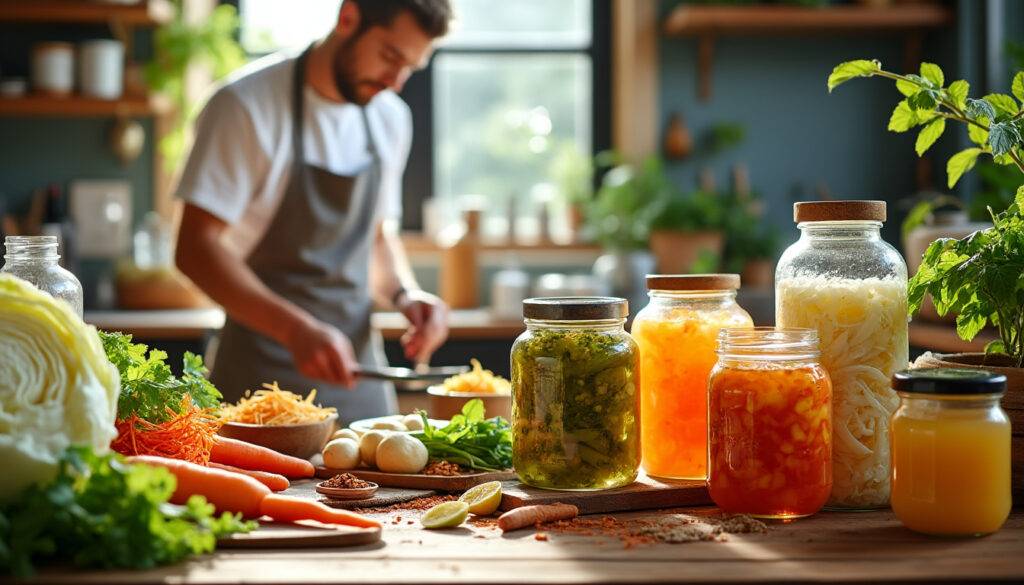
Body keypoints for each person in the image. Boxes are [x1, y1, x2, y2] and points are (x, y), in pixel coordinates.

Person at [174, 0, 453, 424]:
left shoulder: (391, 118)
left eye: (409, 68)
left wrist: (405, 295)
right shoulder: (244, 106)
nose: (395, 82)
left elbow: (376, 239)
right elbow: (194, 249)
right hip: (256, 388)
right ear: (348, 18)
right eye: (389, 56)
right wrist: (295, 330)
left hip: (360, 381)